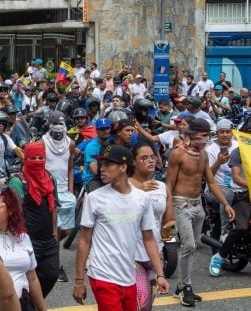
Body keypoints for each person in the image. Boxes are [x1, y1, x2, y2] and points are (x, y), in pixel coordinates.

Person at [72, 145, 169, 309]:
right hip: (102, 275)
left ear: (123, 167)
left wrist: (160, 275)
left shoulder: (142, 199)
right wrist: (79, 281)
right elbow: (84, 241)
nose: (101, 169)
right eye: (101, 164)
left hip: (128, 276)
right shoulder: (94, 198)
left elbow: (149, 239)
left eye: (107, 164)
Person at [165, 118, 234, 307]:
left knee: (192, 246)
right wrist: (169, 212)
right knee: (188, 245)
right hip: (181, 204)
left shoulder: (203, 155)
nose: (206, 140)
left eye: (207, 136)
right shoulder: (177, 154)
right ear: (191, 135)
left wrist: (225, 203)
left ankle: (181, 285)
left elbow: (211, 182)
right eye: (202, 136)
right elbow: (169, 184)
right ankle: (186, 287)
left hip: (198, 205)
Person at [8, 142, 60, 297]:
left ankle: (35, 303)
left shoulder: (50, 178)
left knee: (51, 275)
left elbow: (53, 209)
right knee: (27, 280)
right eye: (33, 158)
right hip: (27, 240)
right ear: (26, 159)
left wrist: (55, 235)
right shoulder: (18, 182)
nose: (37, 161)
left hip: (48, 240)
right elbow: (14, 213)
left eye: (40, 158)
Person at [129, 143, 175, 311]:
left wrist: (168, 231)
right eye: (144, 158)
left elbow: (170, 220)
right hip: (132, 254)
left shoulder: (163, 188)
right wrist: (139, 189)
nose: (150, 161)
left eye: (153, 157)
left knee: (148, 304)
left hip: (156, 254)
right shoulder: (125, 186)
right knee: (141, 301)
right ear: (134, 162)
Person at [209, 122, 251, 278]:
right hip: (243, 195)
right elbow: (236, 178)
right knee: (241, 227)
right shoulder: (237, 153)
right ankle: (219, 256)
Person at [40, 111, 75, 282]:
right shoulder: (42, 143)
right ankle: (56, 266)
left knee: (66, 230)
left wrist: (69, 190)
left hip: (64, 193)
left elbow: (69, 168)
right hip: (48, 192)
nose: (59, 127)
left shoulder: (71, 144)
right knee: (55, 230)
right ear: (49, 125)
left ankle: (47, 251)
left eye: (62, 124)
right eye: (55, 124)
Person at [204, 119, 238, 243]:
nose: (224, 135)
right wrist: (219, 162)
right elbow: (208, 176)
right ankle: (225, 231)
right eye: (221, 132)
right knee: (228, 193)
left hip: (237, 186)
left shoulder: (238, 146)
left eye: (227, 132)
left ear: (232, 133)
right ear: (217, 133)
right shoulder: (210, 150)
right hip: (215, 189)